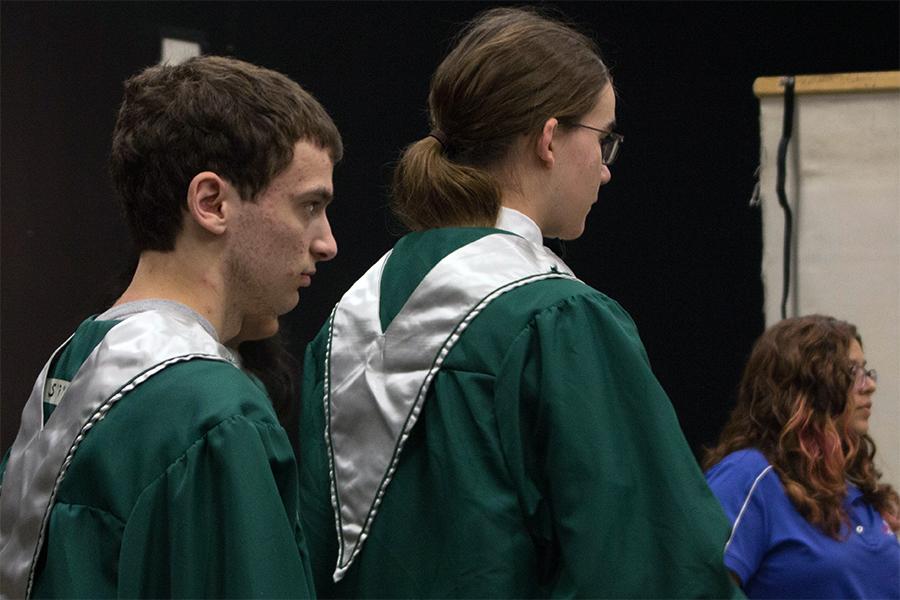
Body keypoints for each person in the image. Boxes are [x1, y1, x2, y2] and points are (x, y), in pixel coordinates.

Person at [298, 7, 740, 598]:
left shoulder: (345, 323)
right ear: (550, 138)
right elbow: (649, 565)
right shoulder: (558, 322)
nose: (607, 171)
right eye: (603, 139)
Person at [0, 55, 341, 598]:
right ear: (211, 203)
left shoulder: (70, 366)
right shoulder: (216, 414)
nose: (327, 243)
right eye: (309, 206)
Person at [704, 315, 900, 599]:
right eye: (852, 371)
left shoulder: (852, 488)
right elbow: (698, 586)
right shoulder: (749, 476)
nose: (869, 384)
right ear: (805, 385)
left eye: (867, 371)